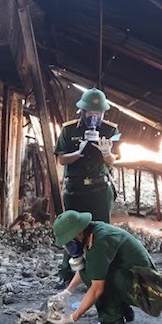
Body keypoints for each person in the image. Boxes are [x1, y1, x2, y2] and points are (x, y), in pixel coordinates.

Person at [48, 210, 157, 324]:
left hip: (148, 290)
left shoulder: (99, 242)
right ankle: (123, 311)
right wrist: (67, 292)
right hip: (138, 280)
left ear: (78, 233)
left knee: (97, 278)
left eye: (69, 242)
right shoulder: (93, 231)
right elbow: (87, 269)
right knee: (94, 271)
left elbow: (96, 288)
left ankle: (112, 321)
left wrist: (72, 317)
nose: (69, 247)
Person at [53, 88, 120, 289]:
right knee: (71, 231)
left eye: (99, 113)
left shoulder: (110, 130)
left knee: (102, 231)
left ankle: (100, 274)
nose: (95, 116)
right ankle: (67, 274)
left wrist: (106, 152)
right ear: (82, 111)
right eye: (91, 112)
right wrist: (78, 152)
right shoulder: (69, 130)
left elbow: (114, 160)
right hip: (75, 189)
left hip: (99, 189)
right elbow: (61, 158)